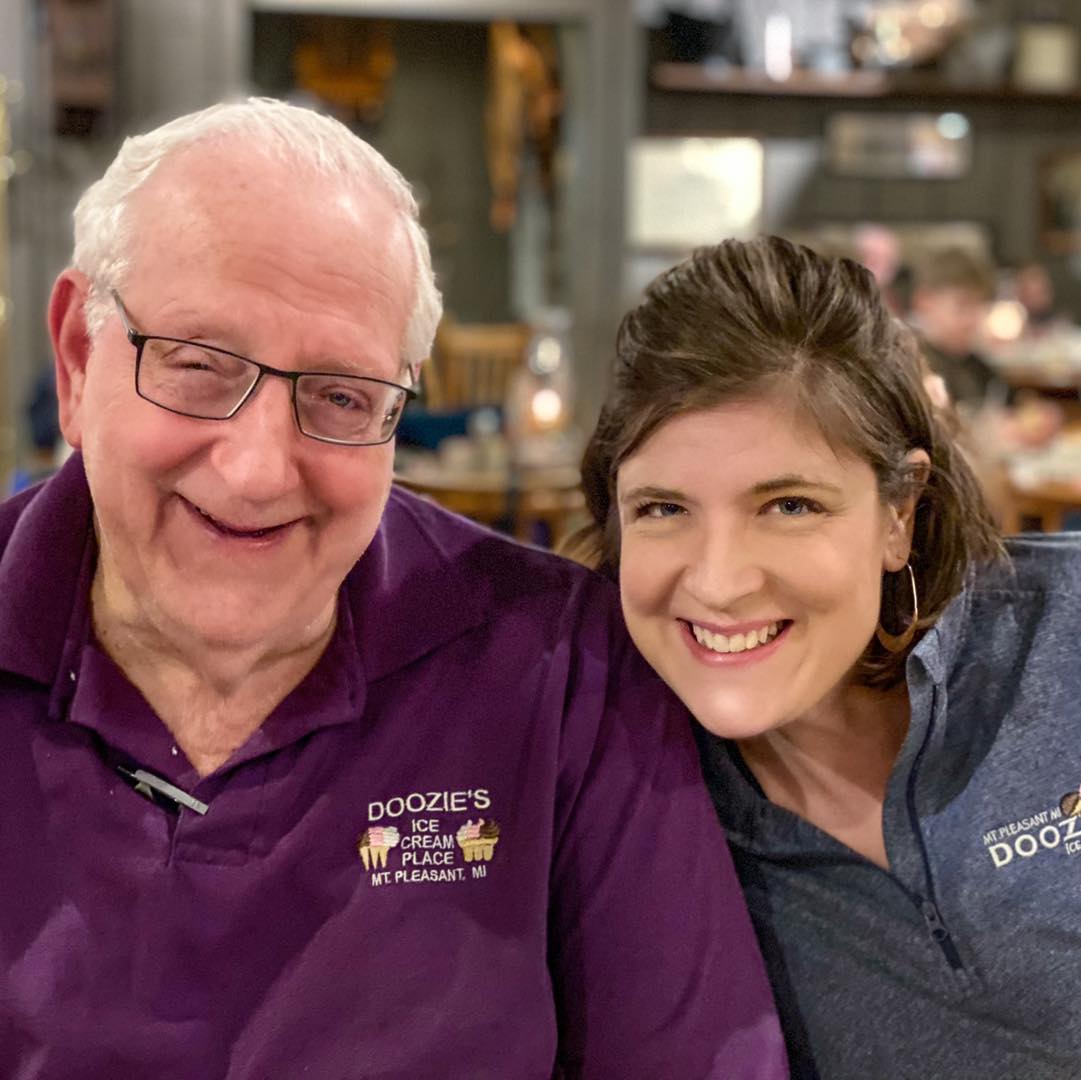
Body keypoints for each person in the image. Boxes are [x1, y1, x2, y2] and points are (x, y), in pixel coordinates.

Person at [0, 100, 787, 1078]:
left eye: (341, 396)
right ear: (78, 359)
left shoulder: (562, 670)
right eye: (198, 368)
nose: (257, 469)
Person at [569, 235, 1081, 1078]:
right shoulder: (612, 807)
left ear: (898, 514)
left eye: (789, 505)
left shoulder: (1062, 633)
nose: (719, 582)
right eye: (662, 509)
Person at [908, 245, 1004, 412]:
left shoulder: (975, 366)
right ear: (925, 301)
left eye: (979, 305)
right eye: (963, 305)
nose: (973, 319)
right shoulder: (912, 369)